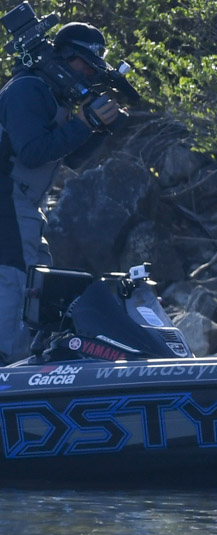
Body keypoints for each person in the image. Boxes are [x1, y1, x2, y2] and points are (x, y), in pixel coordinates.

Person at [0, 22, 120, 364]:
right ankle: (8, 368)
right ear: (65, 57)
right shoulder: (27, 88)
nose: (89, 73)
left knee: (39, 284)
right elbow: (32, 152)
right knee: (16, 279)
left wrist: (96, 127)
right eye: (85, 65)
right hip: (7, 199)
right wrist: (83, 123)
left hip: (25, 204)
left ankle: (28, 362)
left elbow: (72, 158)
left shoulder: (54, 95)